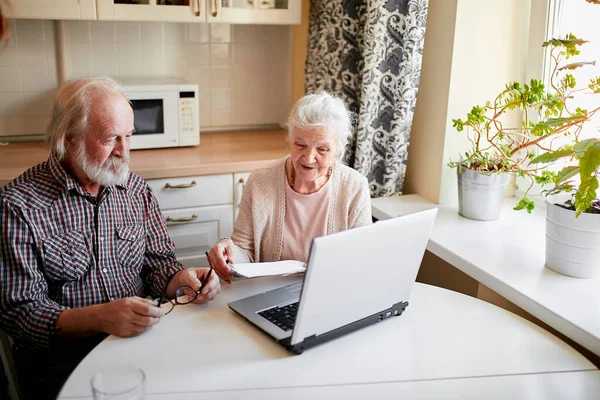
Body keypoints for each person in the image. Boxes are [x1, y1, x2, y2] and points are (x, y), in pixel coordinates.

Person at [0, 77, 221, 399]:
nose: (123, 151)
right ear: (68, 139)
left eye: (128, 136)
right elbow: (20, 314)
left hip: (144, 342)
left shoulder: (135, 191)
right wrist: (100, 318)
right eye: (109, 138)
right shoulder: (19, 205)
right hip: (65, 361)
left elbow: (158, 266)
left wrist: (180, 279)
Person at [207, 91, 372, 283]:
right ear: (290, 138)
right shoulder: (261, 180)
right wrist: (229, 250)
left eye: (322, 149)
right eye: (300, 145)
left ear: (338, 150)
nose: (309, 158)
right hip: (267, 292)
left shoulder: (355, 187)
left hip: (329, 288)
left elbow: (361, 257)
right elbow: (245, 252)